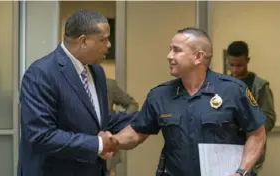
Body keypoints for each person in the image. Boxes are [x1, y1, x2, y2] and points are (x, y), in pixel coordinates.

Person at [107, 27, 267, 176]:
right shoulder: (160, 95)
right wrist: (113, 141)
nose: (169, 56)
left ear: (198, 57)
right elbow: (136, 132)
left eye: (177, 50)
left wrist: (241, 172)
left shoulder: (233, 90)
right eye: (170, 49)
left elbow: (257, 135)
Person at [17, 10, 133, 176]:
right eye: (104, 39)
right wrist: (98, 144)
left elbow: (98, 120)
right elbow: (40, 136)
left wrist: (147, 117)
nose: (109, 45)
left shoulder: (96, 71)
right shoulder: (41, 74)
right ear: (83, 41)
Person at [227, 41, 276, 175]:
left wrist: (248, 129)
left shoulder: (260, 87)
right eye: (231, 65)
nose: (235, 70)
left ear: (247, 60)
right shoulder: (223, 85)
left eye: (239, 65)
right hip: (227, 150)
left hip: (250, 152)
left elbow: (269, 118)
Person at [105, 78, 139, 175]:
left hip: (106, 146)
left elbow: (132, 104)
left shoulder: (108, 84)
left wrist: (118, 122)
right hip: (80, 147)